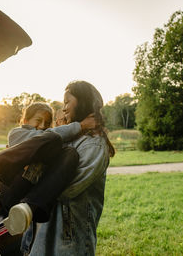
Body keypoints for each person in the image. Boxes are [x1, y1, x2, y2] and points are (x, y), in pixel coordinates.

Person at [0, 103, 98, 236]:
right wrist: (80, 126)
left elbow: (56, 150)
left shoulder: (46, 139)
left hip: (27, 197)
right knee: (53, 138)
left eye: (47, 123)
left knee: (70, 153)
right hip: (11, 190)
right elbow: (50, 136)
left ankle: (28, 208)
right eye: (38, 120)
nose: (42, 126)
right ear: (25, 120)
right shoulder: (17, 133)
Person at [20, 80, 116, 255]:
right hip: (46, 226)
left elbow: (67, 188)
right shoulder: (71, 137)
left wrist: (36, 178)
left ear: (83, 102)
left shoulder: (93, 145)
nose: (63, 108)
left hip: (69, 235)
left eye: (67, 102)